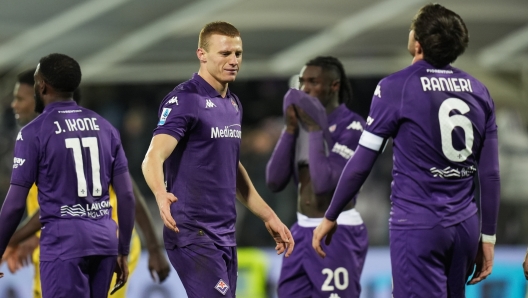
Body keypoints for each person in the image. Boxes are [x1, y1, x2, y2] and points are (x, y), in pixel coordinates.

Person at [312, 4, 500, 297]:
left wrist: (331, 215)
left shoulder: (396, 87)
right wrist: (487, 236)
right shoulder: (479, 90)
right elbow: (490, 174)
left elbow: (362, 162)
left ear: (417, 41)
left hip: (419, 226)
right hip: (465, 227)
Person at [142, 21, 294, 298]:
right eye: (225, 54)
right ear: (202, 54)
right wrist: (160, 194)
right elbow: (154, 155)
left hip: (224, 233)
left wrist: (268, 215)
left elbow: (231, 168)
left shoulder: (233, 104)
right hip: (192, 233)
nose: (234, 60)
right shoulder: (185, 99)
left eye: (238, 53)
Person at [1, 68, 171, 298]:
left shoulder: (57, 137)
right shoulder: (52, 137)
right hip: (84, 242)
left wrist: (10, 240)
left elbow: (126, 194)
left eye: (20, 98)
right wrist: (28, 239)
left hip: (85, 243)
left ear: (40, 95)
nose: (14, 105)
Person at [266, 56, 367, 298]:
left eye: (313, 82)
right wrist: (290, 130)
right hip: (300, 231)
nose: (305, 89)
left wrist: (314, 130)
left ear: (334, 86)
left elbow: (324, 184)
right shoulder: (300, 126)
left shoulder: (352, 127)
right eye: (302, 82)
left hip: (337, 232)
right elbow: (274, 181)